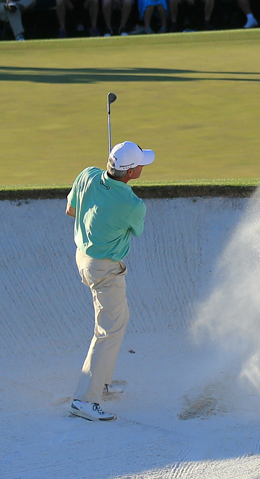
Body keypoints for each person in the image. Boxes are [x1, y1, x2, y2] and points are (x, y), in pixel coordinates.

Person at [67, 140, 155, 422]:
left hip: (83, 258)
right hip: (105, 270)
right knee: (107, 331)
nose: (143, 167)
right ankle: (84, 400)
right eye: (140, 164)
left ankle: (101, 382)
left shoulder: (88, 175)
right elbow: (136, 231)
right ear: (130, 172)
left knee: (119, 320)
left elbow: (71, 210)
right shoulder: (132, 204)